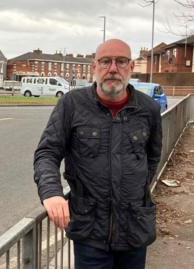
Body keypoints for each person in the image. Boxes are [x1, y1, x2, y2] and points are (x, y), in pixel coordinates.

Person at [33, 39, 162, 269]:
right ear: (94, 67)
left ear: (131, 67)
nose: (113, 68)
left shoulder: (149, 109)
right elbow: (47, 152)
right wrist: (52, 193)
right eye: (105, 61)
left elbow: (152, 158)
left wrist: (133, 193)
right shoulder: (72, 104)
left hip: (135, 228)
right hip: (90, 231)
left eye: (121, 61)